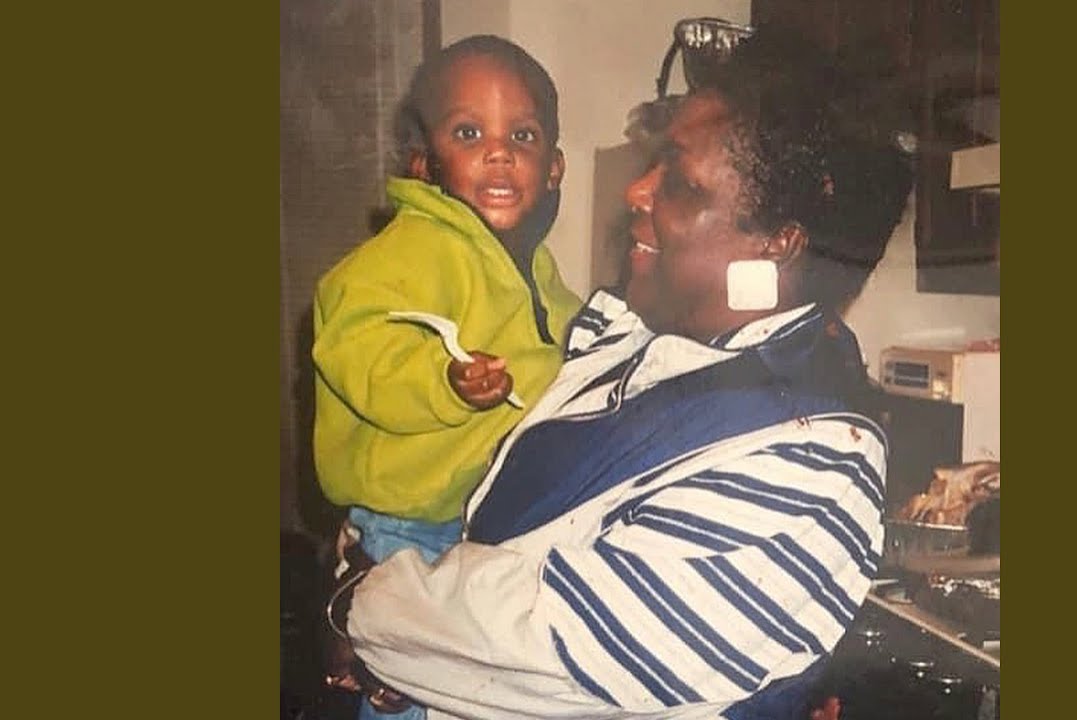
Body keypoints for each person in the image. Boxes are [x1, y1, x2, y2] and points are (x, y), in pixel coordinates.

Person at [328, 27, 914, 719]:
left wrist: (365, 607)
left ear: (775, 243)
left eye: (680, 182)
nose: (636, 190)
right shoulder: (641, 341)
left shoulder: (813, 460)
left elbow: (556, 647)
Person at [310, 34, 582, 719]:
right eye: (468, 133)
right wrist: (443, 380)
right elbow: (355, 343)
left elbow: (567, 346)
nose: (499, 152)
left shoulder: (534, 267)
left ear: (553, 168)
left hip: (481, 524)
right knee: (409, 697)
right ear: (425, 163)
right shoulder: (413, 248)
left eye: (523, 135)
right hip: (410, 526)